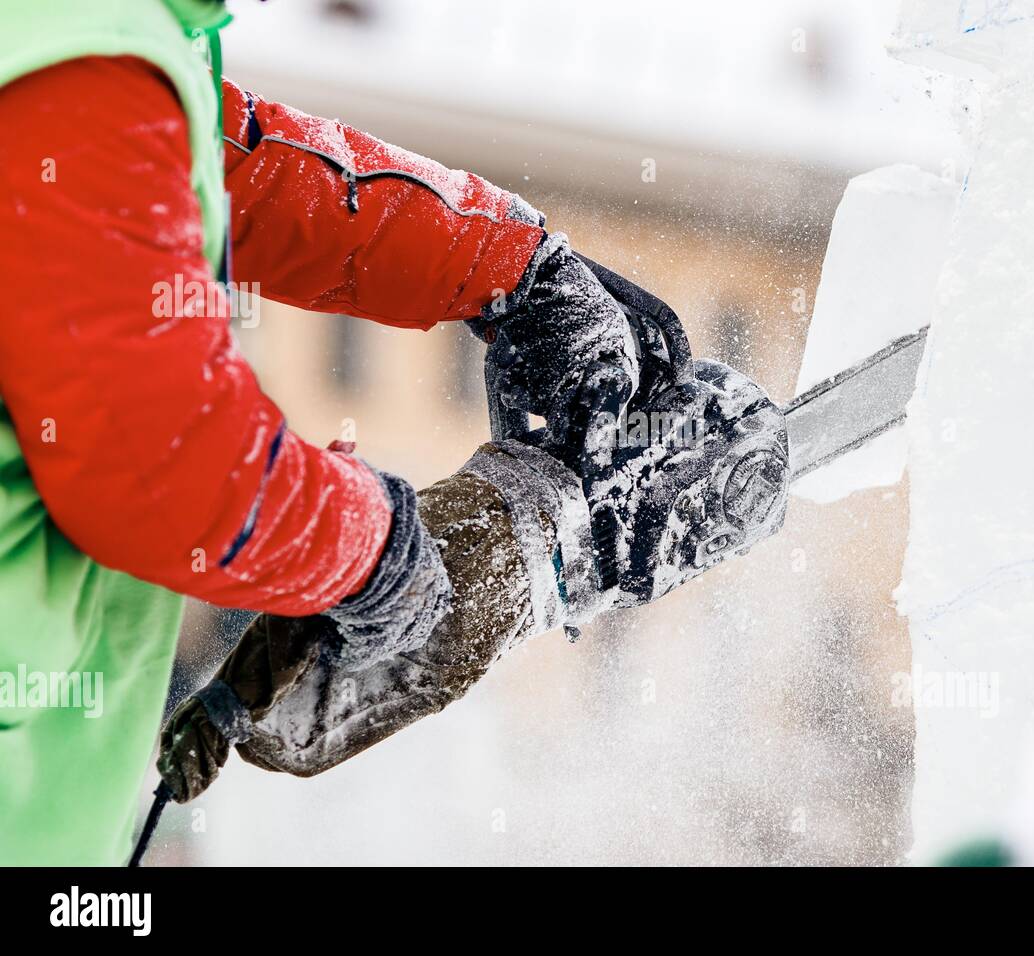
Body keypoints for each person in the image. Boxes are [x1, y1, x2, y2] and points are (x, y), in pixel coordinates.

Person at [0, 0, 638, 864]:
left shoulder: (83, 43)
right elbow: (158, 465)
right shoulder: (76, 60)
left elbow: (224, 167)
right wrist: (371, 546)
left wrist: (507, 264)